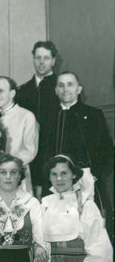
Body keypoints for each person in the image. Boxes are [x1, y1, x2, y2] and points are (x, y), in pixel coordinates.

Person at [39, 72, 112, 208]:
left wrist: (94, 174)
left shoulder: (93, 115)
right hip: (54, 182)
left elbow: (106, 149)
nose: (65, 89)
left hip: (85, 182)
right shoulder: (47, 118)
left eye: (70, 85)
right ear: (56, 91)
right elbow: (42, 152)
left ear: (79, 89)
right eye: (61, 85)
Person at [0, 76, 38, 193]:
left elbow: (30, 150)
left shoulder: (26, 116)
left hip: (18, 175)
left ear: (12, 93)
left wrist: (9, 167)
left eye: (1, 91)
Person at [17, 41, 59, 130]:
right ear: (33, 59)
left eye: (46, 58)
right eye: (38, 58)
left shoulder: (62, 88)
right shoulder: (22, 90)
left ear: (53, 61)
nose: (41, 62)